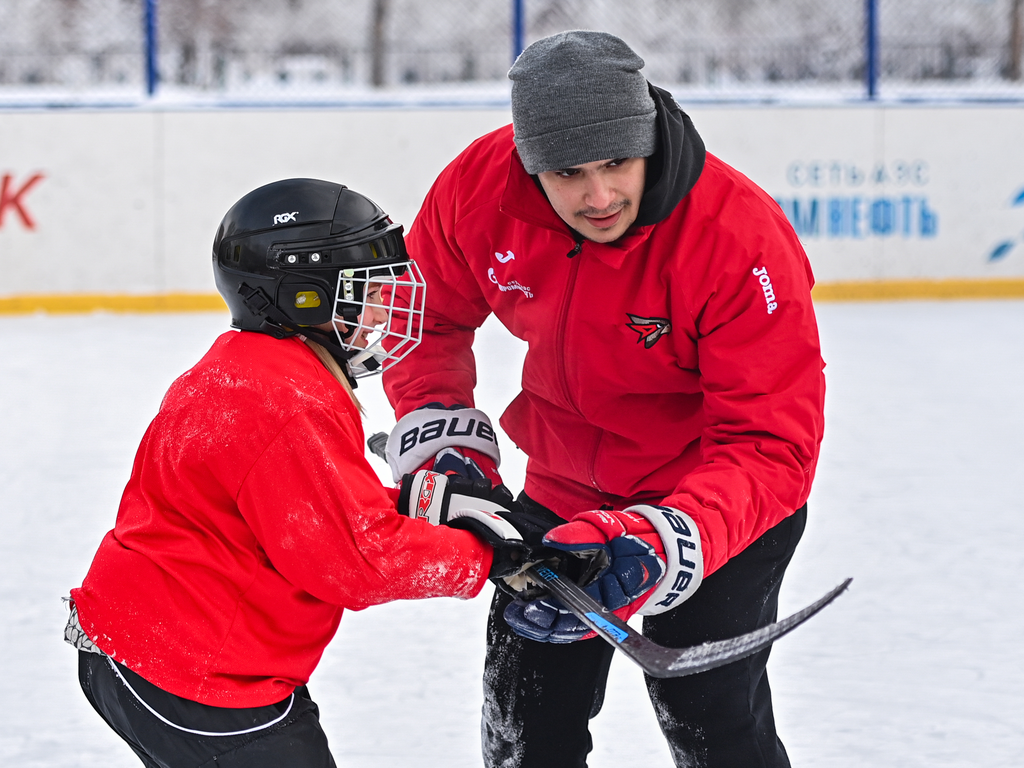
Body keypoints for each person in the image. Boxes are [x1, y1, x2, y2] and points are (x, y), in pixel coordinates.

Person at [381, 31, 826, 768]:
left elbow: (771, 444)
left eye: (617, 162)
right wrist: (442, 433)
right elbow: (423, 316)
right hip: (562, 493)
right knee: (526, 727)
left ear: (646, 138)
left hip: (714, 500)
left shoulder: (736, 236)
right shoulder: (477, 189)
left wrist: (670, 538)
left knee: (712, 722)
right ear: (529, 165)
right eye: (567, 172)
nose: (599, 196)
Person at [64, 178, 535, 768]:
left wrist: (422, 504)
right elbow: (356, 560)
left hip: (149, 647)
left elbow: (301, 507)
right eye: (366, 293)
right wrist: (488, 558)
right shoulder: (286, 402)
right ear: (303, 298)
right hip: (196, 677)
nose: (384, 311)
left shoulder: (255, 367)